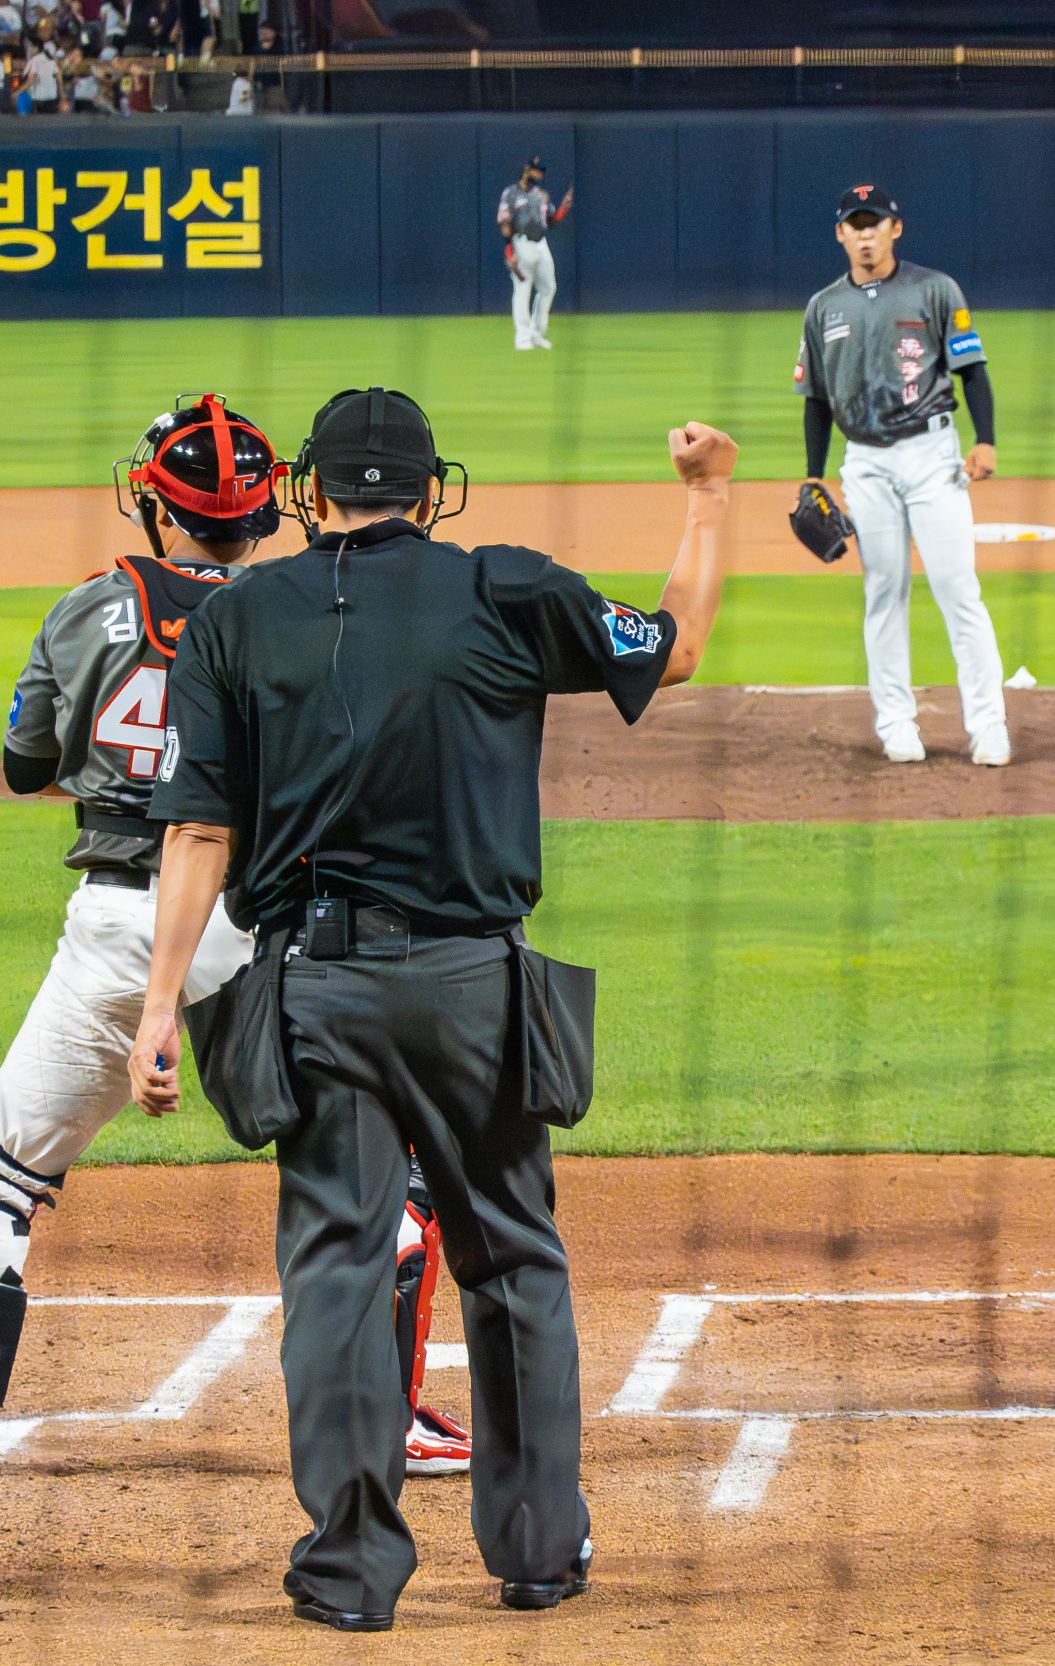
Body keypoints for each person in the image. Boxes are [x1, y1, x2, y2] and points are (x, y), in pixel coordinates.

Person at [129, 391, 735, 1629]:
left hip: (319, 993)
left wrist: (156, 1009)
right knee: (511, 1257)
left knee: (337, 1273)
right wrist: (708, 496)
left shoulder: (235, 618)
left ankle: (350, 1574)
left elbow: (195, 831)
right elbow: (672, 647)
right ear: (428, 491)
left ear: (312, 492)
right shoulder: (506, 587)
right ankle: (538, 1552)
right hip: (472, 993)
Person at [0, 397, 475, 1488]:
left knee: (3, 1161)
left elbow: (23, 763)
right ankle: (383, 1418)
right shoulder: (308, 609)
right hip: (258, 925)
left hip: (113, 926)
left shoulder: (85, 608)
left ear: (154, 504)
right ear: (269, 512)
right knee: (381, 1169)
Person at [794, 183, 1010, 767]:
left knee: (958, 589)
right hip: (865, 463)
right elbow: (816, 401)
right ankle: (896, 725)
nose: (865, 234)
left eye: (875, 223)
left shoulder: (935, 289)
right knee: (883, 591)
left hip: (932, 456)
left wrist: (985, 439)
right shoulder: (823, 307)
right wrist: (813, 476)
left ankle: (989, 725)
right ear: (840, 234)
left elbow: (972, 370)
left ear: (895, 229)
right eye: (855, 225)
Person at [496, 156, 570, 351]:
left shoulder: (542, 195)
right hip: (521, 243)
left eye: (541, 172)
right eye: (537, 170)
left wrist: (564, 208)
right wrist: (509, 251)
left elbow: (551, 221)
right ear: (527, 169)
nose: (539, 174)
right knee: (523, 289)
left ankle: (536, 333)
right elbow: (505, 223)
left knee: (548, 287)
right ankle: (522, 337)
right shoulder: (510, 194)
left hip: (541, 244)